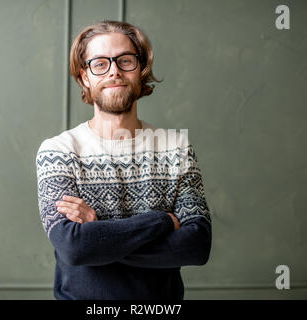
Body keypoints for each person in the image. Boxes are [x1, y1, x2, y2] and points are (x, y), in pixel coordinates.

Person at [36, 20, 212, 300]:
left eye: (125, 61)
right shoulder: (58, 151)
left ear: (141, 70)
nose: (114, 71)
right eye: (100, 63)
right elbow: (74, 248)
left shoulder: (176, 146)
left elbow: (197, 246)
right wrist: (162, 222)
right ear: (84, 77)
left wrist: (98, 235)